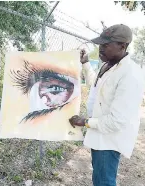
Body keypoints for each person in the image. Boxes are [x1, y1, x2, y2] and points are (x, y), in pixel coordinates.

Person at [69, 24, 145, 186]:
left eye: (105, 45)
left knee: (104, 181)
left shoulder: (130, 74)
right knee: (100, 178)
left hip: (109, 139)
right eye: (100, 44)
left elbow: (117, 121)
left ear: (122, 46)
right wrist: (86, 64)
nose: (100, 48)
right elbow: (95, 86)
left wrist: (85, 122)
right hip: (100, 134)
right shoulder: (108, 65)